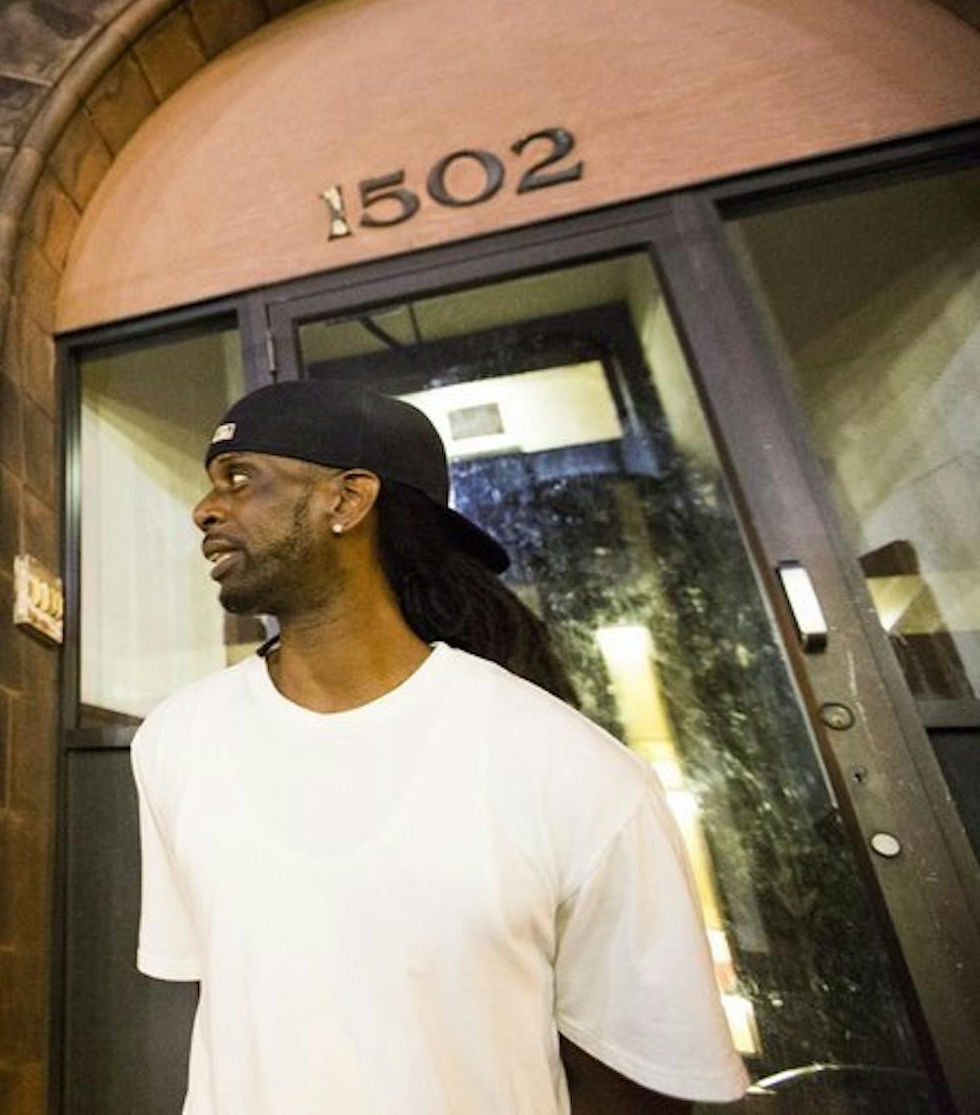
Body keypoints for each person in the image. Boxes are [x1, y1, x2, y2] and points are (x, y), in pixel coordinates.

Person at [132, 379, 751, 1113]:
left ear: (347, 499)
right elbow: (233, 996)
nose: (205, 509)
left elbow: (638, 1081)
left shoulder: (575, 770)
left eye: (240, 479)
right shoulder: (175, 741)